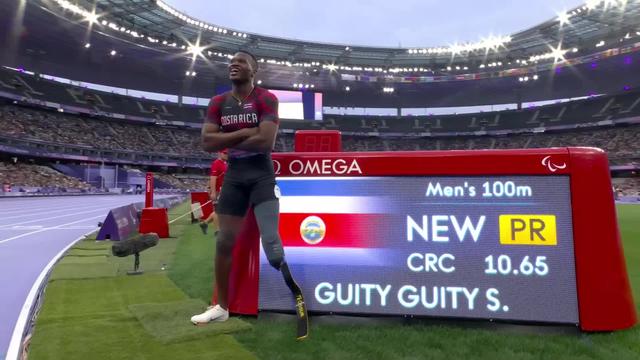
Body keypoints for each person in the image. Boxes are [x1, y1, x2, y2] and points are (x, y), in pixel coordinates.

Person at [191, 50, 307, 338]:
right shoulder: (218, 102)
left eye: (241, 62)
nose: (234, 64)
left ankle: (294, 293)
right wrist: (245, 131)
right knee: (223, 242)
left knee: (271, 243)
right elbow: (206, 142)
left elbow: (265, 141)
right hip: (235, 177)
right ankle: (222, 307)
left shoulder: (266, 98)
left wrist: (228, 137)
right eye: (231, 61)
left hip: (261, 175)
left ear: (253, 70)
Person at [199, 149, 228, 235]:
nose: (227, 155)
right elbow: (213, 178)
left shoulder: (225, 164)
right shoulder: (216, 163)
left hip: (222, 190)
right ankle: (217, 231)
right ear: (219, 153)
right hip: (217, 191)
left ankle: (204, 223)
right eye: (225, 153)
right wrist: (213, 192)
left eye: (227, 153)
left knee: (220, 210)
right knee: (217, 211)